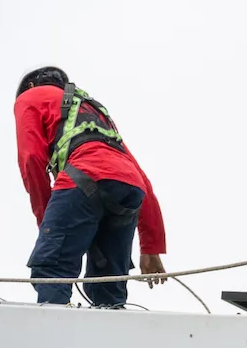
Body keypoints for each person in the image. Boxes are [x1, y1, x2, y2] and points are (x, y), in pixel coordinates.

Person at [13, 67, 167, 308]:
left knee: (52, 268)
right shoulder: (92, 112)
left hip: (81, 177)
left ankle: (52, 332)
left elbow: (31, 157)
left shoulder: (30, 97)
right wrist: (151, 247)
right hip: (128, 189)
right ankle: (110, 332)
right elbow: (141, 179)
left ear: (30, 86)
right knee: (107, 283)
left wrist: (46, 222)